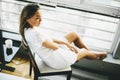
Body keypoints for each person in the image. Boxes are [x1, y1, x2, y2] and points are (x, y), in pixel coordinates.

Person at [19, 3, 107, 69]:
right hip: (56, 60)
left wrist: (66, 43)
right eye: (37, 18)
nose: (41, 20)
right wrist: (67, 45)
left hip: (51, 52)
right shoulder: (35, 34)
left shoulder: (28, 29)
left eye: (41, 17)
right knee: (84, 51)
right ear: (27, 18)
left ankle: (87, 54)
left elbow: (49, 39)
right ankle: (96, 55)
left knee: (73, 34)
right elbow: (55, 47)